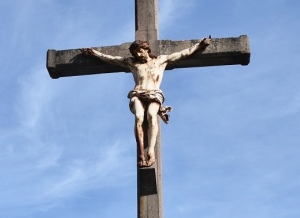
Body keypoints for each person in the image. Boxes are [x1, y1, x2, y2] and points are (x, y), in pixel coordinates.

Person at [83, 37, 210, 167]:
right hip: (138, 93)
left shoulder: (160, 60)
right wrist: (95, 53)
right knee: (139, 117)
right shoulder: (132, 63)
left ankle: (151, 152)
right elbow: (112, 59)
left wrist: (200, 45)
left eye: (139, 51)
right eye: (135, 53)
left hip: (154, 93)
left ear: (146, 49)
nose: (138, 55)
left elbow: (183, 53)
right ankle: (141, 154)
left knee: (151, 115)